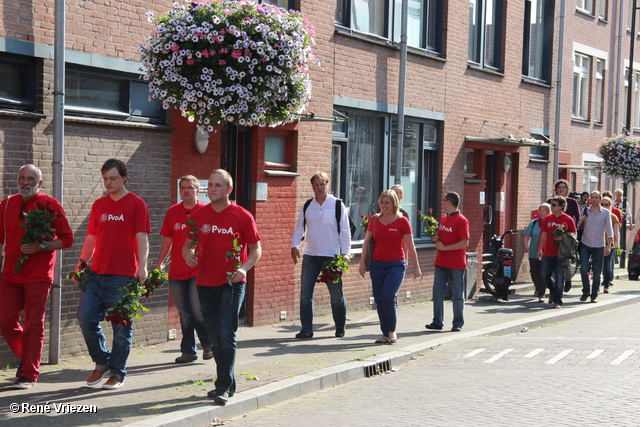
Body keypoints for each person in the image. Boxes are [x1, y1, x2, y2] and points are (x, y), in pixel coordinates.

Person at [183, 169, 261, 404]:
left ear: (229, 190)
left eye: (218, 185)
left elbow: (257, 249)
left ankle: (222, 386)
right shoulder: (198, 216)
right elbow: (188, 244)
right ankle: (228, 382)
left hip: (232, 282)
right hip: (205, 282)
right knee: (215, 337)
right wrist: (187, 253)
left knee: (227, 332)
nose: (212, 189)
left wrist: (244, 268)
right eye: (210, 185)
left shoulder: (242, 215)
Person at [77, 159, 151, 390]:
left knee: (121, 329)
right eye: (105, 179)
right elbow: (91, 238)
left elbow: (142, 238)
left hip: (124, 276)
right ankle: (102, 362)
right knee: (86, 317)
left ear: (124, 177)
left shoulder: (137, 204)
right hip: (97, 274)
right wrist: (81, 264)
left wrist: (143, 267)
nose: (108, 183)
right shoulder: (99, 205)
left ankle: (117, 372)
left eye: (113, 179)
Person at [0, 165, 74, 389]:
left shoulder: (50, 205)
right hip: (10, 273)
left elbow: (67, 239)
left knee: (33, 324)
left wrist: (41, 246)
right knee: (4, 319)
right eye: (22, 178)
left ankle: (29, 374)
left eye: (31, 179)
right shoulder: (6, 205)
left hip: (38, 275)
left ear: (39, 183)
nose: (25, 182)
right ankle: (29, 358)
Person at [155, 175, 212, 364]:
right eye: (182, 188)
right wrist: (159, 263)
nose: (186, 191)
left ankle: (208, 344)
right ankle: (188, 351)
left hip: (198, 270)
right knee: (184, 312)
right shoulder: (173, 212)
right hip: (177, 271)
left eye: (190, 187)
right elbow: (167, 239)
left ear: (198, 191)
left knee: (196, 309)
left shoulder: (206, 212)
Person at [291, 172, 350, 339]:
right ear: (312, 187)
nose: (319, 188)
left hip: (331, 256)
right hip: (311, 254)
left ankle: (340, 326)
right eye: (316, 185)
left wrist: (345, 254)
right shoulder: (307, 205)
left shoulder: (337, 205)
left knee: (336, 294)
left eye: (322, 184)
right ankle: (307, 329)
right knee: (305, 293)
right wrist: (294, 245)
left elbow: (345, 231)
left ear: (327, 184)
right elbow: (299, 228)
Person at [358, 190, 421, 344]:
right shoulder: (374, 220)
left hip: (395, 264)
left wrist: (416, 267)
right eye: (382, 202)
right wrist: (361, 263)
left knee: (388, 296)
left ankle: (392, 332)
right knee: (379, 299)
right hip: (377, 264)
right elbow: (367, 242)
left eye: (387, 202)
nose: (384, 205)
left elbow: (410, 246)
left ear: (394, 204)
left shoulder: (402, 222)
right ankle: (385, 333)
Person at [425, 192, 469, 332]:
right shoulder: (443, 219)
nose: (442, 202)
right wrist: (436, 238)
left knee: (457, 294)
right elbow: (443, 237)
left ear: (449, 202)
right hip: (441, 262)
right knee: (437, 292)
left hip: (456, 263)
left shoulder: (462, 220)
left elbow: (465, 242)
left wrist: (446, 247)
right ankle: (437, 321)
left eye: (443, 200)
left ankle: (457, 323)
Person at [538, 196, 577, 309]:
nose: (552, 207)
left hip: (561, 254)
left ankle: (557, 301)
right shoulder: (549, 219)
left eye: (554, 205)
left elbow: (574, 236)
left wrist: (562, 238)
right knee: (544, 275)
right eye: (551, 204)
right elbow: (544, 233)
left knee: (560, 277)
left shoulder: (568, 219)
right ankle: (554, 290)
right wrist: (539, 249)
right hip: (548, 252)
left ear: (561, 207)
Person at [576, 191, 613, 303]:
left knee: (597, 272)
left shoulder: (605, 213)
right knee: (583, 269)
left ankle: (594, 295)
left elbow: (610, 231)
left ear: (600, 200)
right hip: (585, 244)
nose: (594, 199)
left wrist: (609, 246)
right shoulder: (586, 211)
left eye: (596, 197)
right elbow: (578, 228)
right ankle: (586, 291)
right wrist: (580, 221)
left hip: (599, 245)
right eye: (592, 197)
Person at [549, 179, 579, 293]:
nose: (561, 189)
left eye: (563, 187)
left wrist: (574, 234)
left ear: (567, 190)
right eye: (559, 187)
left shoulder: (572, 202)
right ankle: (554, 285)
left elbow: (577, 217)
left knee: (566, 258)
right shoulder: (550, 201)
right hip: (553, 234)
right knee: (552, 259)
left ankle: (567, 279)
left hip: (567, 234)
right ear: (556, 189)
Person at [523, 203, 550, 303]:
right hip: (534, 252)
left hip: (546, 253)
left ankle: (541, 294)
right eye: (540, 211)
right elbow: (526, 236)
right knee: (534, 272)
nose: (541, 213)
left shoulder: (550, 223)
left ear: (548, 212)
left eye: (543, 211)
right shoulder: (534, 223)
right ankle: (538, 287)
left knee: (542, 273)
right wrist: (526, 246)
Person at [601, 196, 619, 294]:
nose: (604, 206)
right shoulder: (597, 215)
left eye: (606, 205)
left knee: (607, 264)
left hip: (609, 243)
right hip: (598, 243)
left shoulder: (613, 217)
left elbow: (616, 231)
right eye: (602, 204)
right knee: (598, 264)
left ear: (610, 206)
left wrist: (617, 242)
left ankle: (606, 285)